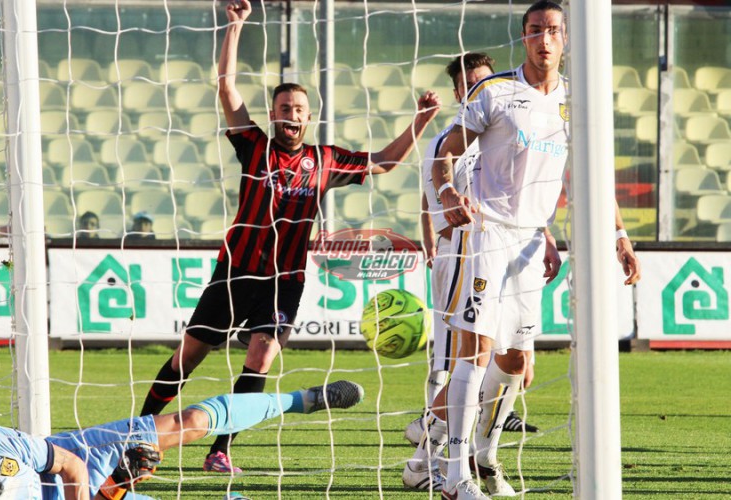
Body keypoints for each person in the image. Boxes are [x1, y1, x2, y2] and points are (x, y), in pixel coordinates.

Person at [139, 0, 440, 475]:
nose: (291, 115)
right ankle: (138, 435)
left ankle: (220, 449)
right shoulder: (253, 145)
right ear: (273, 114)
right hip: (235, 271)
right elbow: (226, 87)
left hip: (284, 280)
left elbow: (383, 162)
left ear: (308, 115)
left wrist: (419, 123)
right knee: (189, 355)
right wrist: (235, 26)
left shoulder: (324, 160)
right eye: (283, 108)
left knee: (260, 358)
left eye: (298, 109)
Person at [433, 2, 641, 499]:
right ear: (523, 37)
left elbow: (591, 177)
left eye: (552, 31)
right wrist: (445, 192)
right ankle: (453, 474)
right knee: (475, 351)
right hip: (485, 231)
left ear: (567, 38)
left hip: (530, 239)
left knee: (515, 360)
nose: (543, 40)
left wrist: (619, 236)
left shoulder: (578, 100)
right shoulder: (496, 91)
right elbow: (448, 147)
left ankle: (483, 455)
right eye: (534, 31)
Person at [0, 380, 364, 500]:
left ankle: (302, 400)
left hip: (81, 456)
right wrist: (116, 487)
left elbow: (69, 465)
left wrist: (109, 479)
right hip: (89, 496)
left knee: (189, 420)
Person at [404, 52, 497, 492]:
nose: (481, 87)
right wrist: (432, 242)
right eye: (472, 83)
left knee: (489, 360)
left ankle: (431, 444)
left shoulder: (495, 133)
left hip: (492, 255)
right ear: (460, 92)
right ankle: (429, 451)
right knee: (451, 361)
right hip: (458, 255)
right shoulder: (448, 140)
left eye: (487, 79)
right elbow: (433, 199)